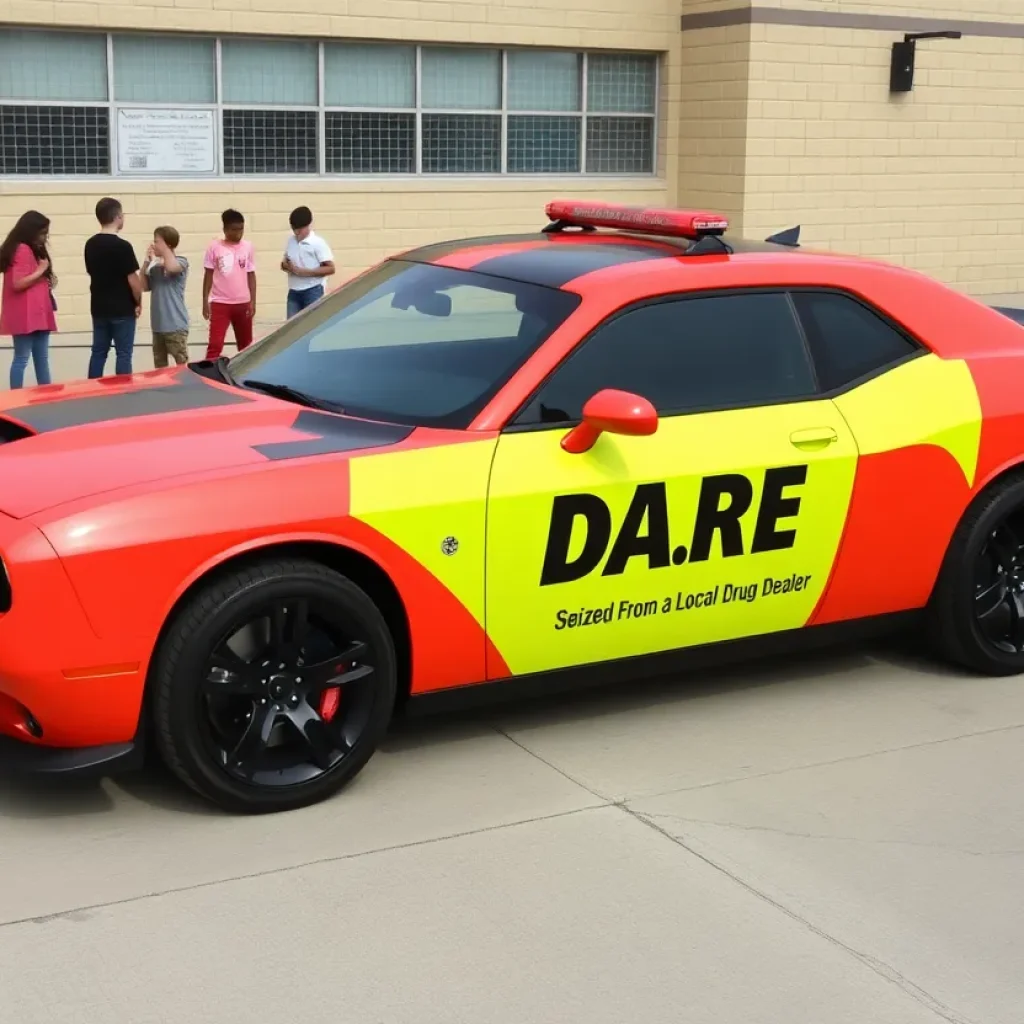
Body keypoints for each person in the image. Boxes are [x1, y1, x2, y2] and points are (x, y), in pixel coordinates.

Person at [84, 197, 141, 378]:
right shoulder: (123, 247)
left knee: (99, 351)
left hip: (99, 307)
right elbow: (133, 281)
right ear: (117, 217)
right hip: (122, 308)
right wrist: (138, 301)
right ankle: (122, 392)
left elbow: (92, 272)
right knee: (123, 353)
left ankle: (92, 388)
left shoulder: (90, 244)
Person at [0, 210, 56, 389]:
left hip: (36, 311)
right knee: (23, 358)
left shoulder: (30, 248)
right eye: (42, 233)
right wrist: (41, 270)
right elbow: (17, 283)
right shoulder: (22, 249)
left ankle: (45, 393)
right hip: (27, 313)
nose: (44, 238)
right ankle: (18, 396)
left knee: (40, 358)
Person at [203, 208, 256, 359]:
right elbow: (208, 274)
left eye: (241, 229)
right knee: (215, 345)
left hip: (243, 302)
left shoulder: (248, 247)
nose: (238, 233)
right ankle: (209, 375)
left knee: (246, 346)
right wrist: (205, 301)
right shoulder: (214, 247)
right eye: (234, 230)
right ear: (225, 229)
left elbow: (251, 274)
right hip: (220, 303)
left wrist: (253, 301)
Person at [141, 225, 190, 368]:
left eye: (157, 241)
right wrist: (146, 262)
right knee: (160, 368)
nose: (153, 244)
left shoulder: (181, 261)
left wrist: (165, 251)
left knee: (181, 365)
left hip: (175, 326)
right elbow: (143, 285)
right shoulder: (154, 268)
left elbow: (172, 267)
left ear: (167, 243)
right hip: (158, 327)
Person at [281, 206, 334, 318]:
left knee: (312, 325)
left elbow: (330, 268)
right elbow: (284, 262)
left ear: (308, 225)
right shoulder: (291, 241)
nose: (296, 232)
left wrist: (305, 272)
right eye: (294, 229)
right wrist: (287, 266)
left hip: (312, 290)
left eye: (300, 229)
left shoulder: (317, 243)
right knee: (291, 328)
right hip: (294, 291)